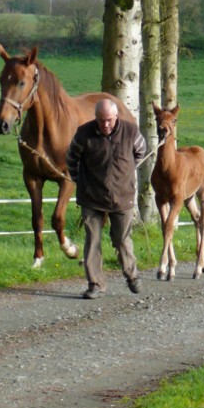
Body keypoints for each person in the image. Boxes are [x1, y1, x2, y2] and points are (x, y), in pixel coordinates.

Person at [66, 98, 147, 299]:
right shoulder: (83, 134)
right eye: (101, 120)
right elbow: (71, 159)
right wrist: (80, 181)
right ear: (96, 118)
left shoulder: (131, 131)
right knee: (92, 240)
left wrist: (124, 174)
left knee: (121, 239)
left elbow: (141, 153)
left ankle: (132, 275)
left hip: (122, 197)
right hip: (91, 198)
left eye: (109, 120)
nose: (106, 125)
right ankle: (96, 284)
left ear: (116, 117)